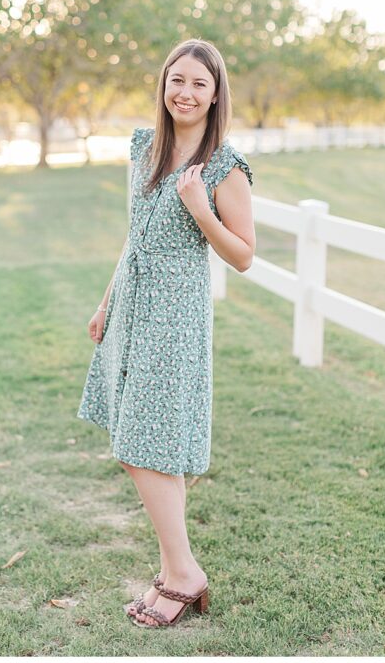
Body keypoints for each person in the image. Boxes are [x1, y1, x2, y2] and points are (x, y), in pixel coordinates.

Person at [78, 39, 256, 629]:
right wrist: (106, 302)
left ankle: (184, 574)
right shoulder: (144, 148)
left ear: (215, 94)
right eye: (176, 79)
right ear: (163, 85)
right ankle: (172, 570)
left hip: (175, 318)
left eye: (199, 84)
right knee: (151, 447)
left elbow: (245, 255)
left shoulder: (223, 167)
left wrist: (200, 208)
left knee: (139, 447)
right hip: (132, 304)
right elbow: (134, 234)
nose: (185, 91)